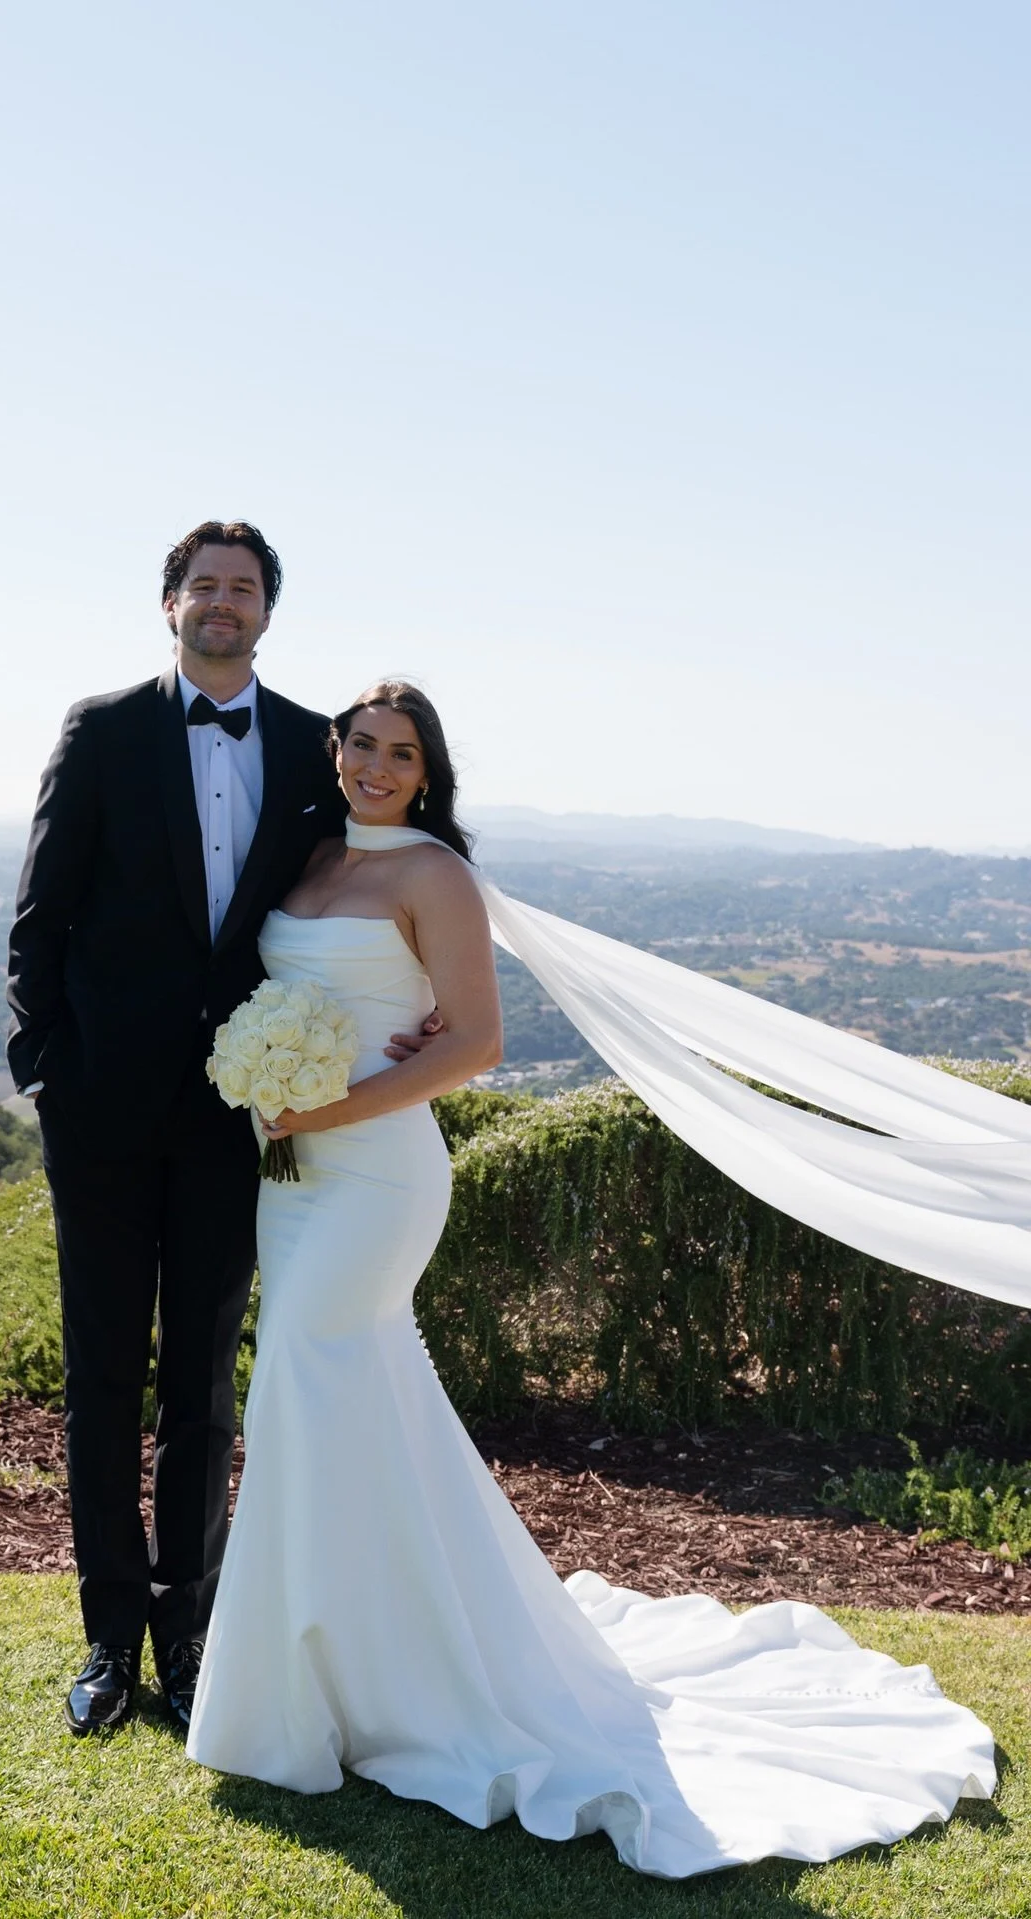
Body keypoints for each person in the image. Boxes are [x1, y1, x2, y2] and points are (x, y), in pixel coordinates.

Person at [186, 679, 1005, 1878]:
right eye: (362, 743)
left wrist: (330, 1099)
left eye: (401, 754)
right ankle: (356, 1670)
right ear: (337, 747)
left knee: (306, 1380)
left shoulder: (434, 875)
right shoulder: (305, 856)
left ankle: (337, 1690)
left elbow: (476, 1041)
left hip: (377, 1176)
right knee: (343, 1407)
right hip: (290, 1174)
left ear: (427, 772)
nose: (375, 765)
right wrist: (273, 1086)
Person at [6, 526, 439, 1737]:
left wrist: (416, 1017)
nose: (222, 603)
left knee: (201, 1378)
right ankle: (106, 1638)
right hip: (96, 1112)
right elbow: (40, 917)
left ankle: (192, 1632)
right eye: (204, 583)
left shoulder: (316, 744)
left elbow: (382, 880)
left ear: (267, 612)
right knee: (100, 1373)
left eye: (243, 588)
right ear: (168, 603)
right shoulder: (100, 730)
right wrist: (47, 1074)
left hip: (237, 1121)